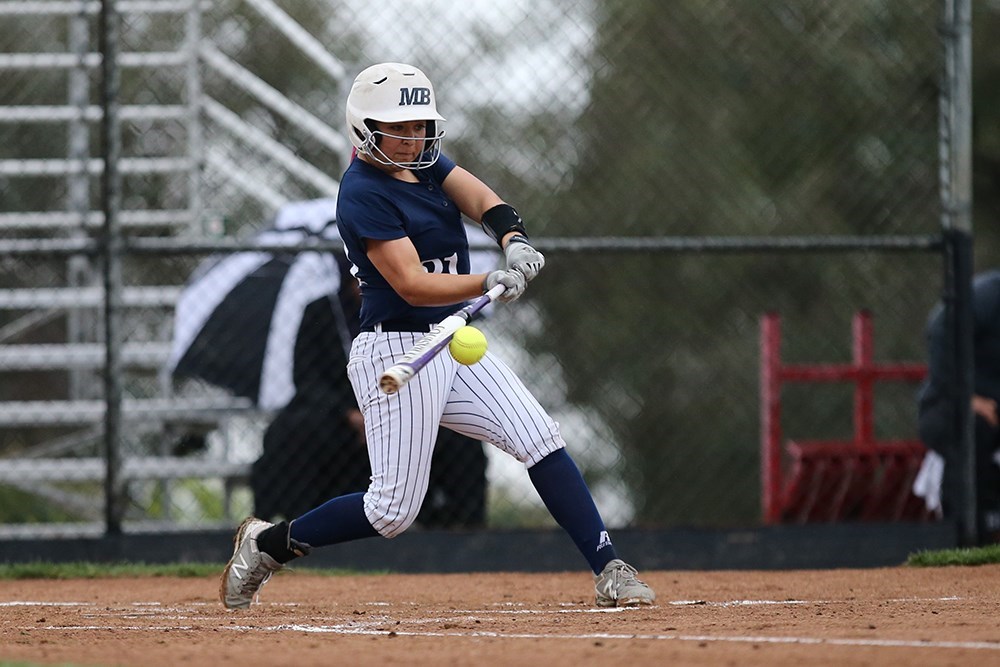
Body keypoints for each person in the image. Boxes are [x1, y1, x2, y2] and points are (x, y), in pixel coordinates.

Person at [220, 62, 655, 609]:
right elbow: (411, 284)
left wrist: (512, 240)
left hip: (450, 339)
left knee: (539, 436)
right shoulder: (362, 191)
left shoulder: (424, 163)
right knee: (392, 511)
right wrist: (486, 278)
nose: (410, 138)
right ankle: (266, 544)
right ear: (364, 129)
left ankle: (608, 567)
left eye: (419, 126)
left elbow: (482, 201)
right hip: (398, 347)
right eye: (397, 128)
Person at [917, 270, 1000, 541]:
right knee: (971, 430)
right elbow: (941, 328)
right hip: (946, 406)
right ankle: (964, 533)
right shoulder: (988, 295)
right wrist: (966, 398)